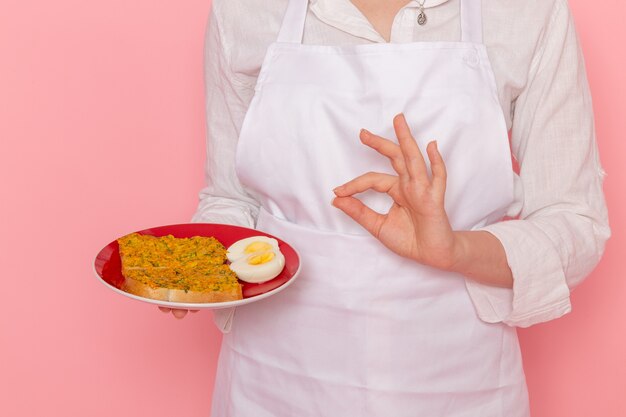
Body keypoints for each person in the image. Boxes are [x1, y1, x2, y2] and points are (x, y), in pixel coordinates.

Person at [164, 0, 611, 415]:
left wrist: (454, 250)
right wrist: (190, 270)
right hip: (274, 382)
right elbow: (231, 198)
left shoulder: (527, 12)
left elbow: (574, 219)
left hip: (460, 384)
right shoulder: (244, 10)